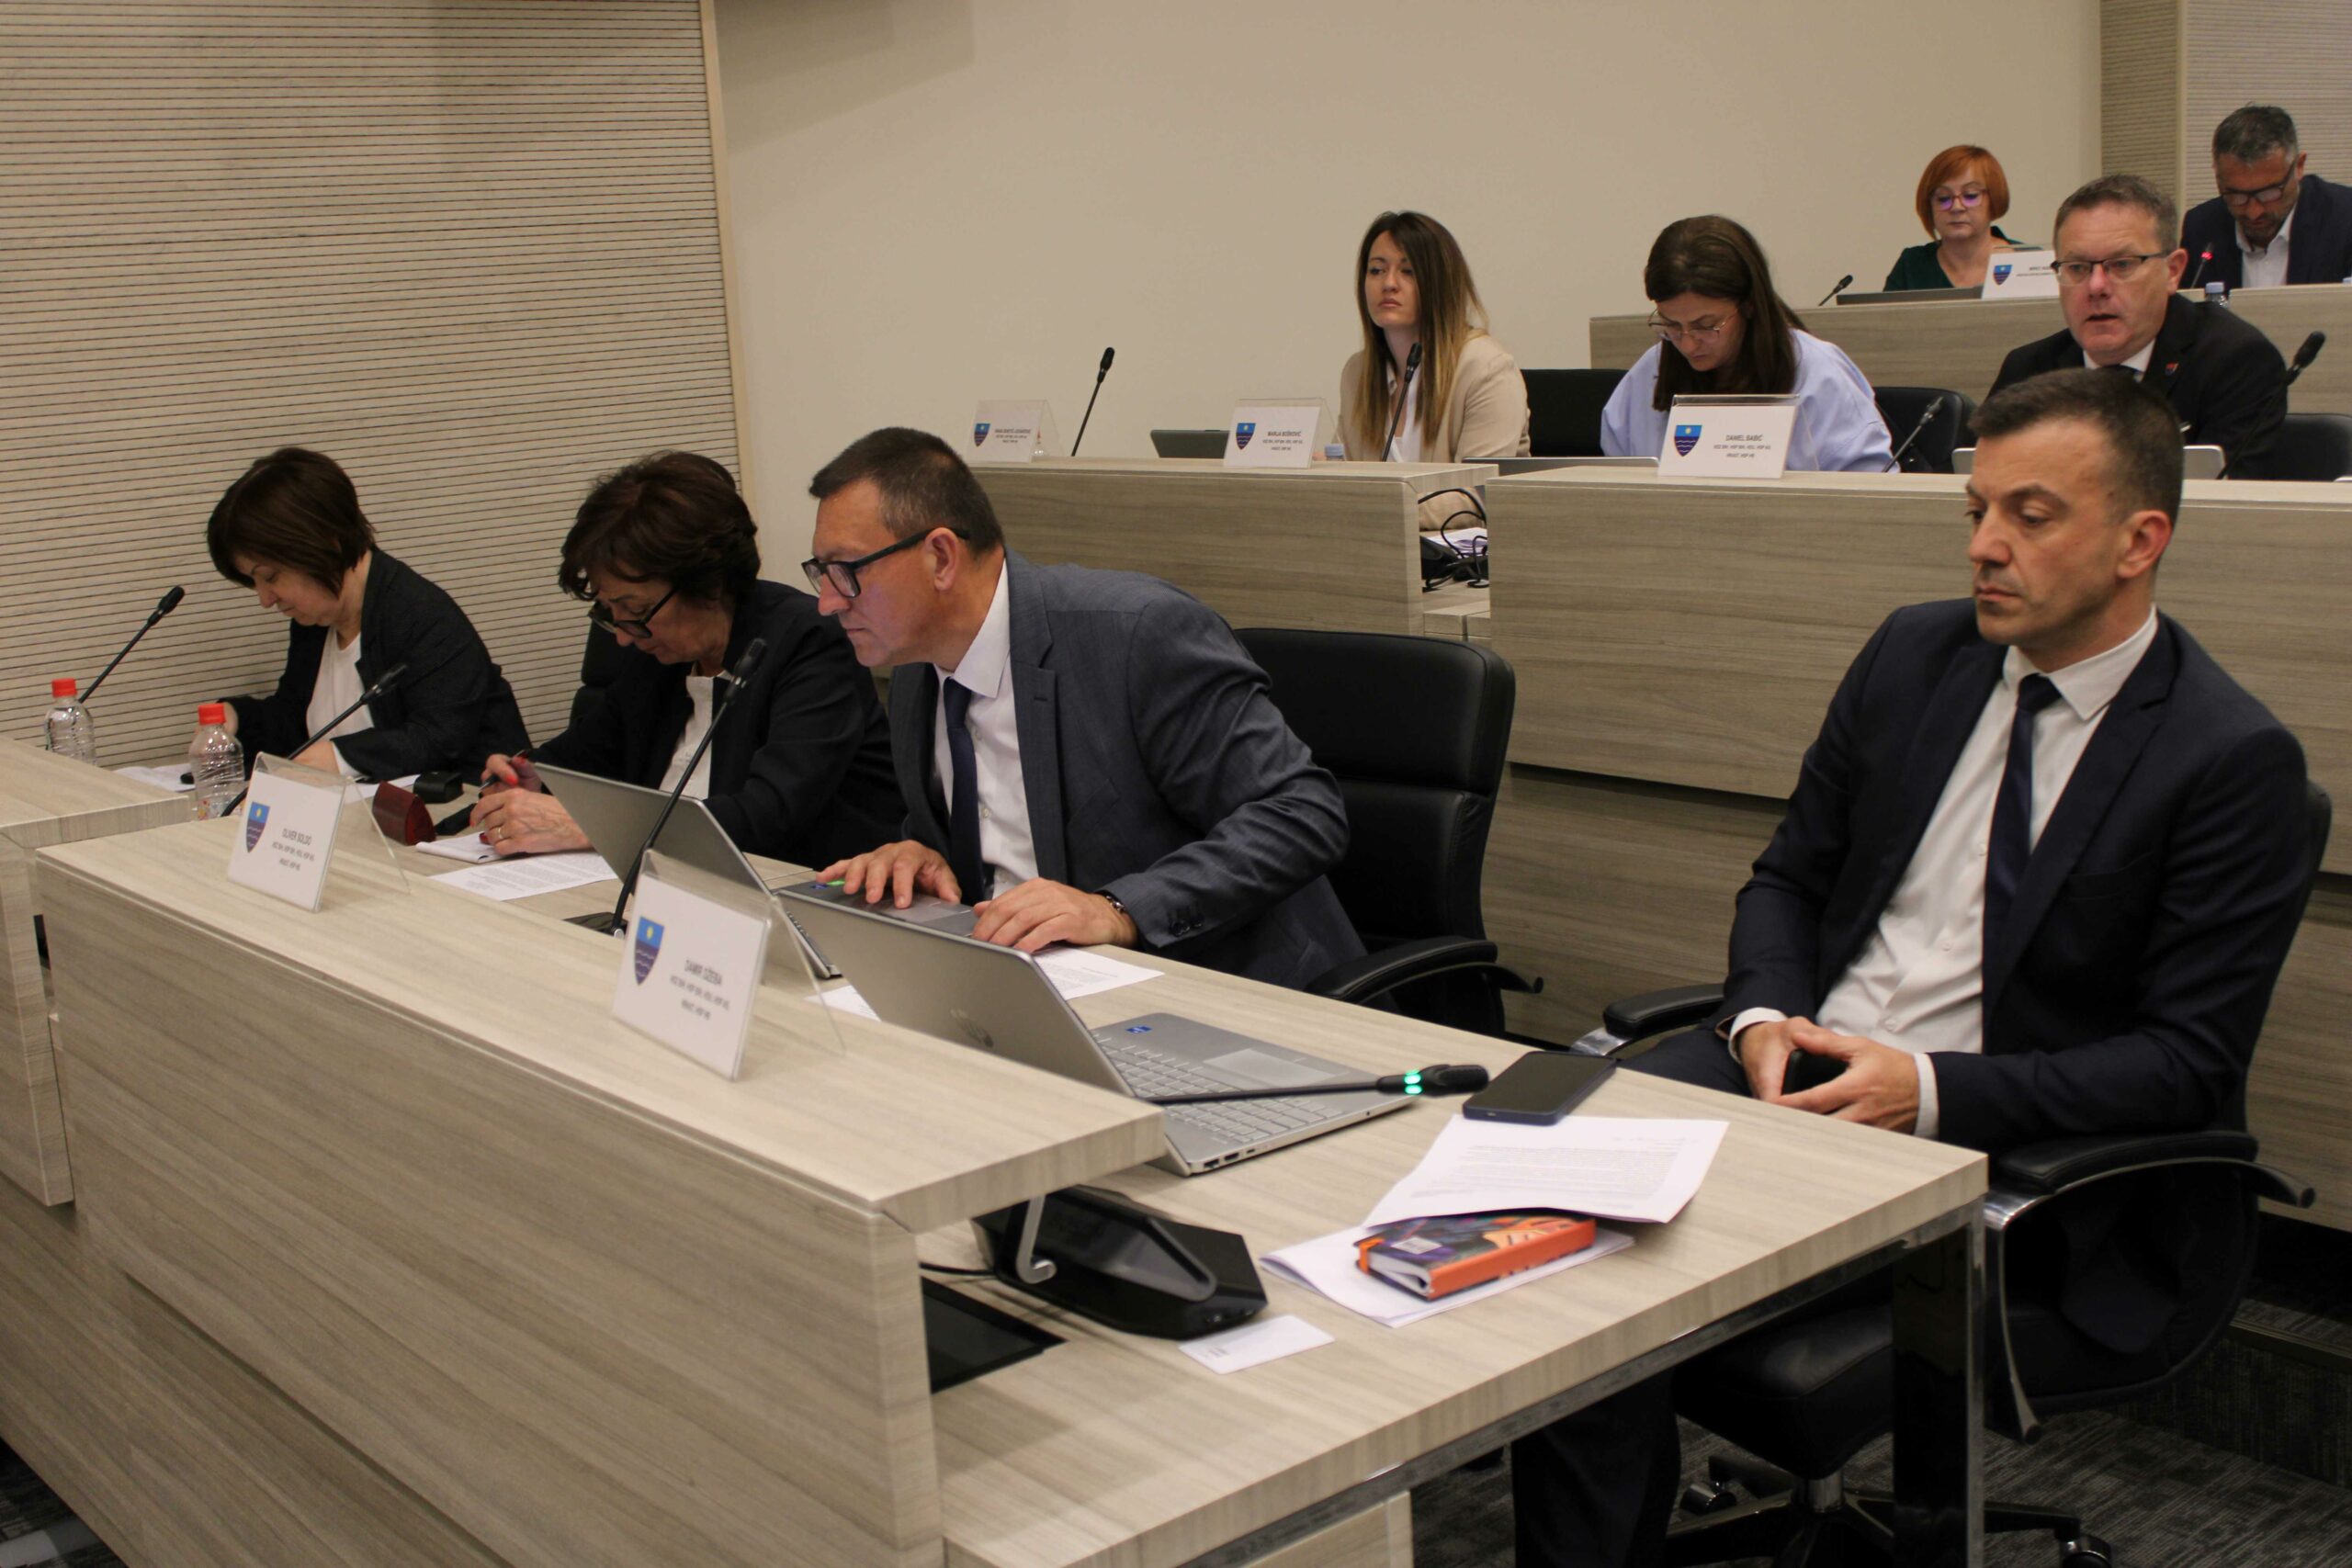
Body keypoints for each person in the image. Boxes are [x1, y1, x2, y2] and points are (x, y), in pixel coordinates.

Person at [1512, 368, 2312, 1567]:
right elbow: (1789, 877)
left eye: (2030, 516)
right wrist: (1762, 1013)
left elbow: (2183, 1064)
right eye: (1976, 509)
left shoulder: (2227, 759)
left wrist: (1923, 1089)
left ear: (2139, 540)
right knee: (1516, 1197)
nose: (1985, 545)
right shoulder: (1912, 654)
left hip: (1988, 1149)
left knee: (1593, 1301)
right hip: (1792, 1071)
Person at [804, 427, 1362, 990]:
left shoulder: (1136, 637)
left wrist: (1119, 909)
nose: (827, 602)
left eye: (846, 571)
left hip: (1218, 984)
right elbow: (994, 831)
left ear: (941, 557)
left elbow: (1301, 812)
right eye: (821, 573)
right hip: (1020, 981)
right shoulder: (914, 670)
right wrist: (923, 854)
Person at [469, 451, 899, 867]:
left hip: (794, 888)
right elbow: (581, 755)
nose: (623, 637)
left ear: (709, 584)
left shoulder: (809, 642)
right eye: (609, 612)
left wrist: (591, 825)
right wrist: (534, 778)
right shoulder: (658, 656)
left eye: (636, 611)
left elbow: (767, 816)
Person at [204, 446, 527, 779]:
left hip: (470, 803)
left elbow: (439, 738)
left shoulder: (422, 615)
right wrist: (236, 716)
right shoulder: (315, 622)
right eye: (254, 582)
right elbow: (296, 722)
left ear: (324, 543)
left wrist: (342, 756)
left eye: (271, 577)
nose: (265, 599)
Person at [1989, 174, 2289, 478]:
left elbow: (2228, 501)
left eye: (2122, 264)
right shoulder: (2028, 372)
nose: (2096, 286)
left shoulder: (2237, 363)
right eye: (2077, 268)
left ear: (2173, 271)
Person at [1600, 216, 1894, 471]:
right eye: (1672, 325)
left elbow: (1871, 493)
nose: (1688, 345)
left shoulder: (1819, 374)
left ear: (1750, 305)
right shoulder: (1648, 374)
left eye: (1706, 325)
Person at [1337, 209, 1529, 528]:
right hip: (1376, 547)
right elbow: (1344, 475)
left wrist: (1373, 510)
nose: (1389, 284)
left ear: (1440, 283)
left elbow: (1478, 495)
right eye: (1376, 270)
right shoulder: (1357, 373)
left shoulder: (1486, 369)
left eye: (1408, 271)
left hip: (1466, 554)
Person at [2179, 104, 2352, 290]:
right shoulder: (2201, 229)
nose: (2253, 212)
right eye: (2236, 195)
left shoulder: (2344, 220)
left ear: (2299, 166)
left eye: (2269, 194)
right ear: (2218, 176)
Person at [1883, 144, 2026, 290]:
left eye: (1970, 195)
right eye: (1943, 198)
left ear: (1993, 199)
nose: (1956, 207)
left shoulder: (2028, 261)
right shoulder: (1912, 266)